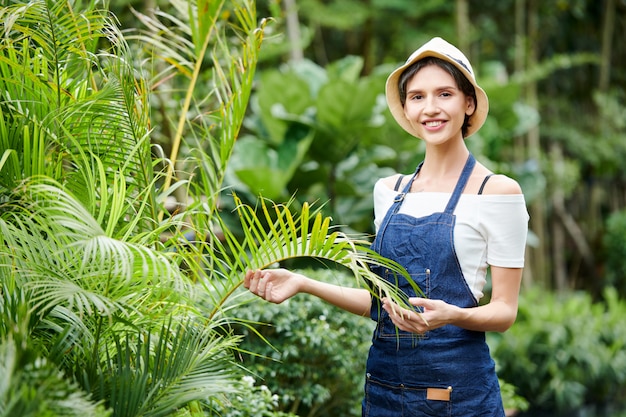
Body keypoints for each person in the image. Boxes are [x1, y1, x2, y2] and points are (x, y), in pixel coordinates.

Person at [245, 37, 529, 417]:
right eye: (417, 96)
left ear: (469, 103)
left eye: (444, 94)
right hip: (383, 392)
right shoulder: (390, 191)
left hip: (456, 394)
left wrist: (451, 315)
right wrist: (303, 283)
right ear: (408, 109)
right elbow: (381, 303)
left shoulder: (496, 192)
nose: (431, 108)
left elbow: (505, 312)